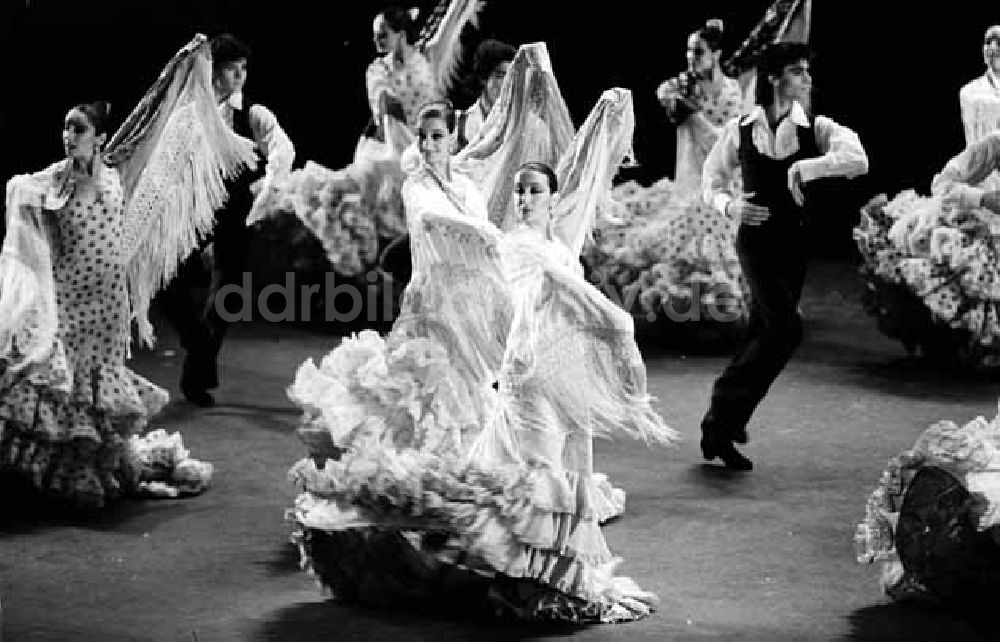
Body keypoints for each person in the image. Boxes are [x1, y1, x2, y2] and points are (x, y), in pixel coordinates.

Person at [285, 81, 672, 622]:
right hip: (468, 322)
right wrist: (614, 323)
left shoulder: (534, 230)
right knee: (512, 461)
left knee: (549, 468)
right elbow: (435, 225)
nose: (524, 199)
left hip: (540, 362)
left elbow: (556, 275)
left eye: (534, 192)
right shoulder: (490, 227)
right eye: (520, 193)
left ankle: (553, 571)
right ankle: (524, 578)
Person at [0, 35, 244, 506]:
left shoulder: (112, 173)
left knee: (93, 391)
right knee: (57, 384)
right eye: (66, 128)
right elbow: (18, 193)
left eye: (78, 130)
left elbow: (145, 123)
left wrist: (181, 67)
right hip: (69, 298)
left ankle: (84, 468)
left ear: (98, 137)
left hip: (108, 302)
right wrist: (23, 196)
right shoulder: (53, 178)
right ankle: (43, 472)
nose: (69, 137)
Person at [699, 42, 869, 470]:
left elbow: (858, 160)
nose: (807, 79)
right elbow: (711, 182)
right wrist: (730, 206)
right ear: (774, 77)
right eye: (797, 71)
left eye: (808, 71)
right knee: (785, 328)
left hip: (794, 243)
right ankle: (724, 407)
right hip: (754, 240)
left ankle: (722, 426)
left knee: (764, 330)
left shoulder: (816, 128)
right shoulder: (742, 128)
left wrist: (805, 168)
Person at [584, 19, 748, 335]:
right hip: (691, 177)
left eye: (698, 51)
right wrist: (684, 107)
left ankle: (713, 310)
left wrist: (696, 118)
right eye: (688, 51)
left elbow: (723, 141)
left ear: (716, 54)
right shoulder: (682, 86)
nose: (691, 57)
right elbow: (664, 93)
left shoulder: (731, 91)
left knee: (720, 242)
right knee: (681, 240)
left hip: (722, 178)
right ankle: (691, 311)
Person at [157, 33, 294, 407]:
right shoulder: (190, 112)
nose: (239, 77)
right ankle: (198, 343)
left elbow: (281, 146)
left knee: (227, 290)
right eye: (231, 70)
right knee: (167, 278)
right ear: (213, 72)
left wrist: (269, 186)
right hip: (193, 207)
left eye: (243, 70)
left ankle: (196, 375)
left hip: (234, 207)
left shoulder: (251, 113)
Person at [455, 39, 517, 150]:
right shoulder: (459, 124)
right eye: (500, 76)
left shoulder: (521, 124)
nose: (507, 83)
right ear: (483, 77)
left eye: (511, 77)